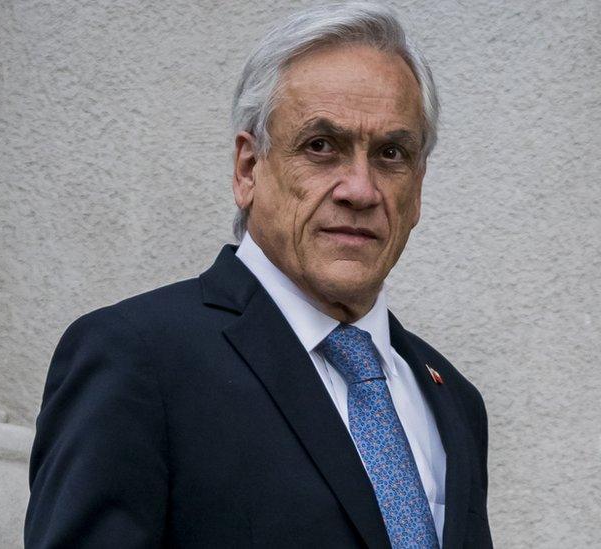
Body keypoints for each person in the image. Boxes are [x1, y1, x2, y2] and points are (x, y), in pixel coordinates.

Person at [25, 3, 491, 548]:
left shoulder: (453, 397)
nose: (360, 190)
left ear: (418, 187)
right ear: (248, 169)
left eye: (391, 153)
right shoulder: (139, 358)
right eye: (321, 147)